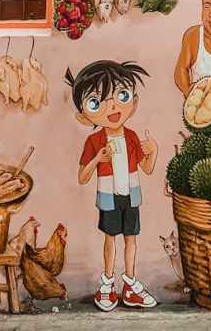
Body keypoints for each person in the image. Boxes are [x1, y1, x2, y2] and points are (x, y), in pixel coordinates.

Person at [66, 59, 159, 312]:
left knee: (131, 239)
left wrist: (154, 152)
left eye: (122, 95)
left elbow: (147, 169)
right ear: (84, 116)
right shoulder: (94, 140)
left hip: (131, 195)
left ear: (134, 101)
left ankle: (129, 284)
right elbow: (83, 177)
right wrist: (98, 159)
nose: (113, 106)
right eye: (97, 102)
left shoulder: (131, 137)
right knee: (110, 239)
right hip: (108, 197)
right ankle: (107, 283)